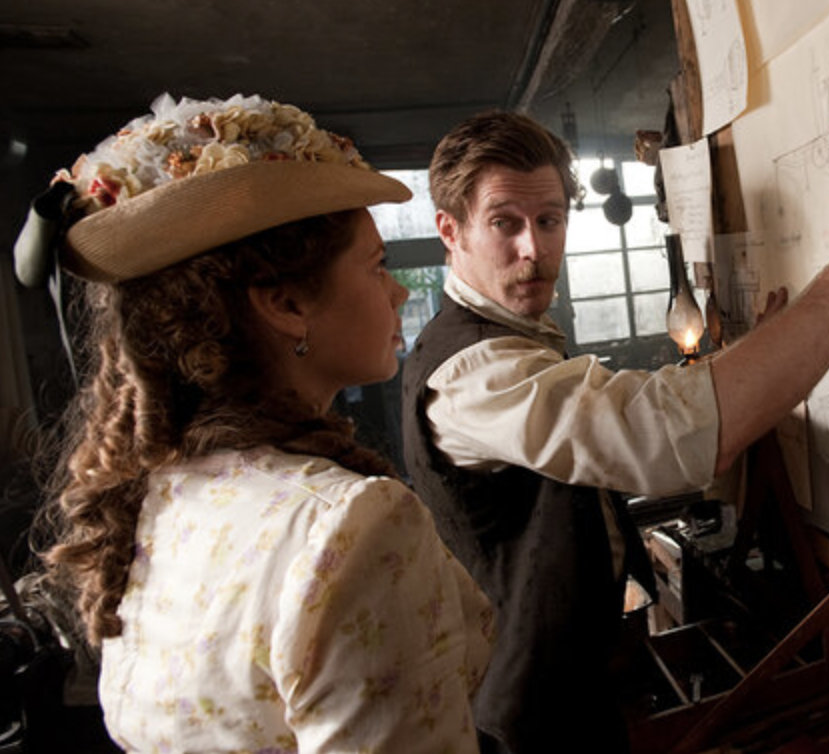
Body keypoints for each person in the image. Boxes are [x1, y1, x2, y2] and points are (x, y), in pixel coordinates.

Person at [401, 78, 829, 753]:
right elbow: (658, 432)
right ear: (450, 230)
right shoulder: (473, 371)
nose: (534, 249)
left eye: (551, 220)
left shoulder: (500, 334)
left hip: (574, 678)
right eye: (505, 223)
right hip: (533, 714)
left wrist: (757, 356)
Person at [22, 93, 493, 753]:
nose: (400, 292)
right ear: (285, 302)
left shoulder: (153, 497)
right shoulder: (347, 524)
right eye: (376, 266)